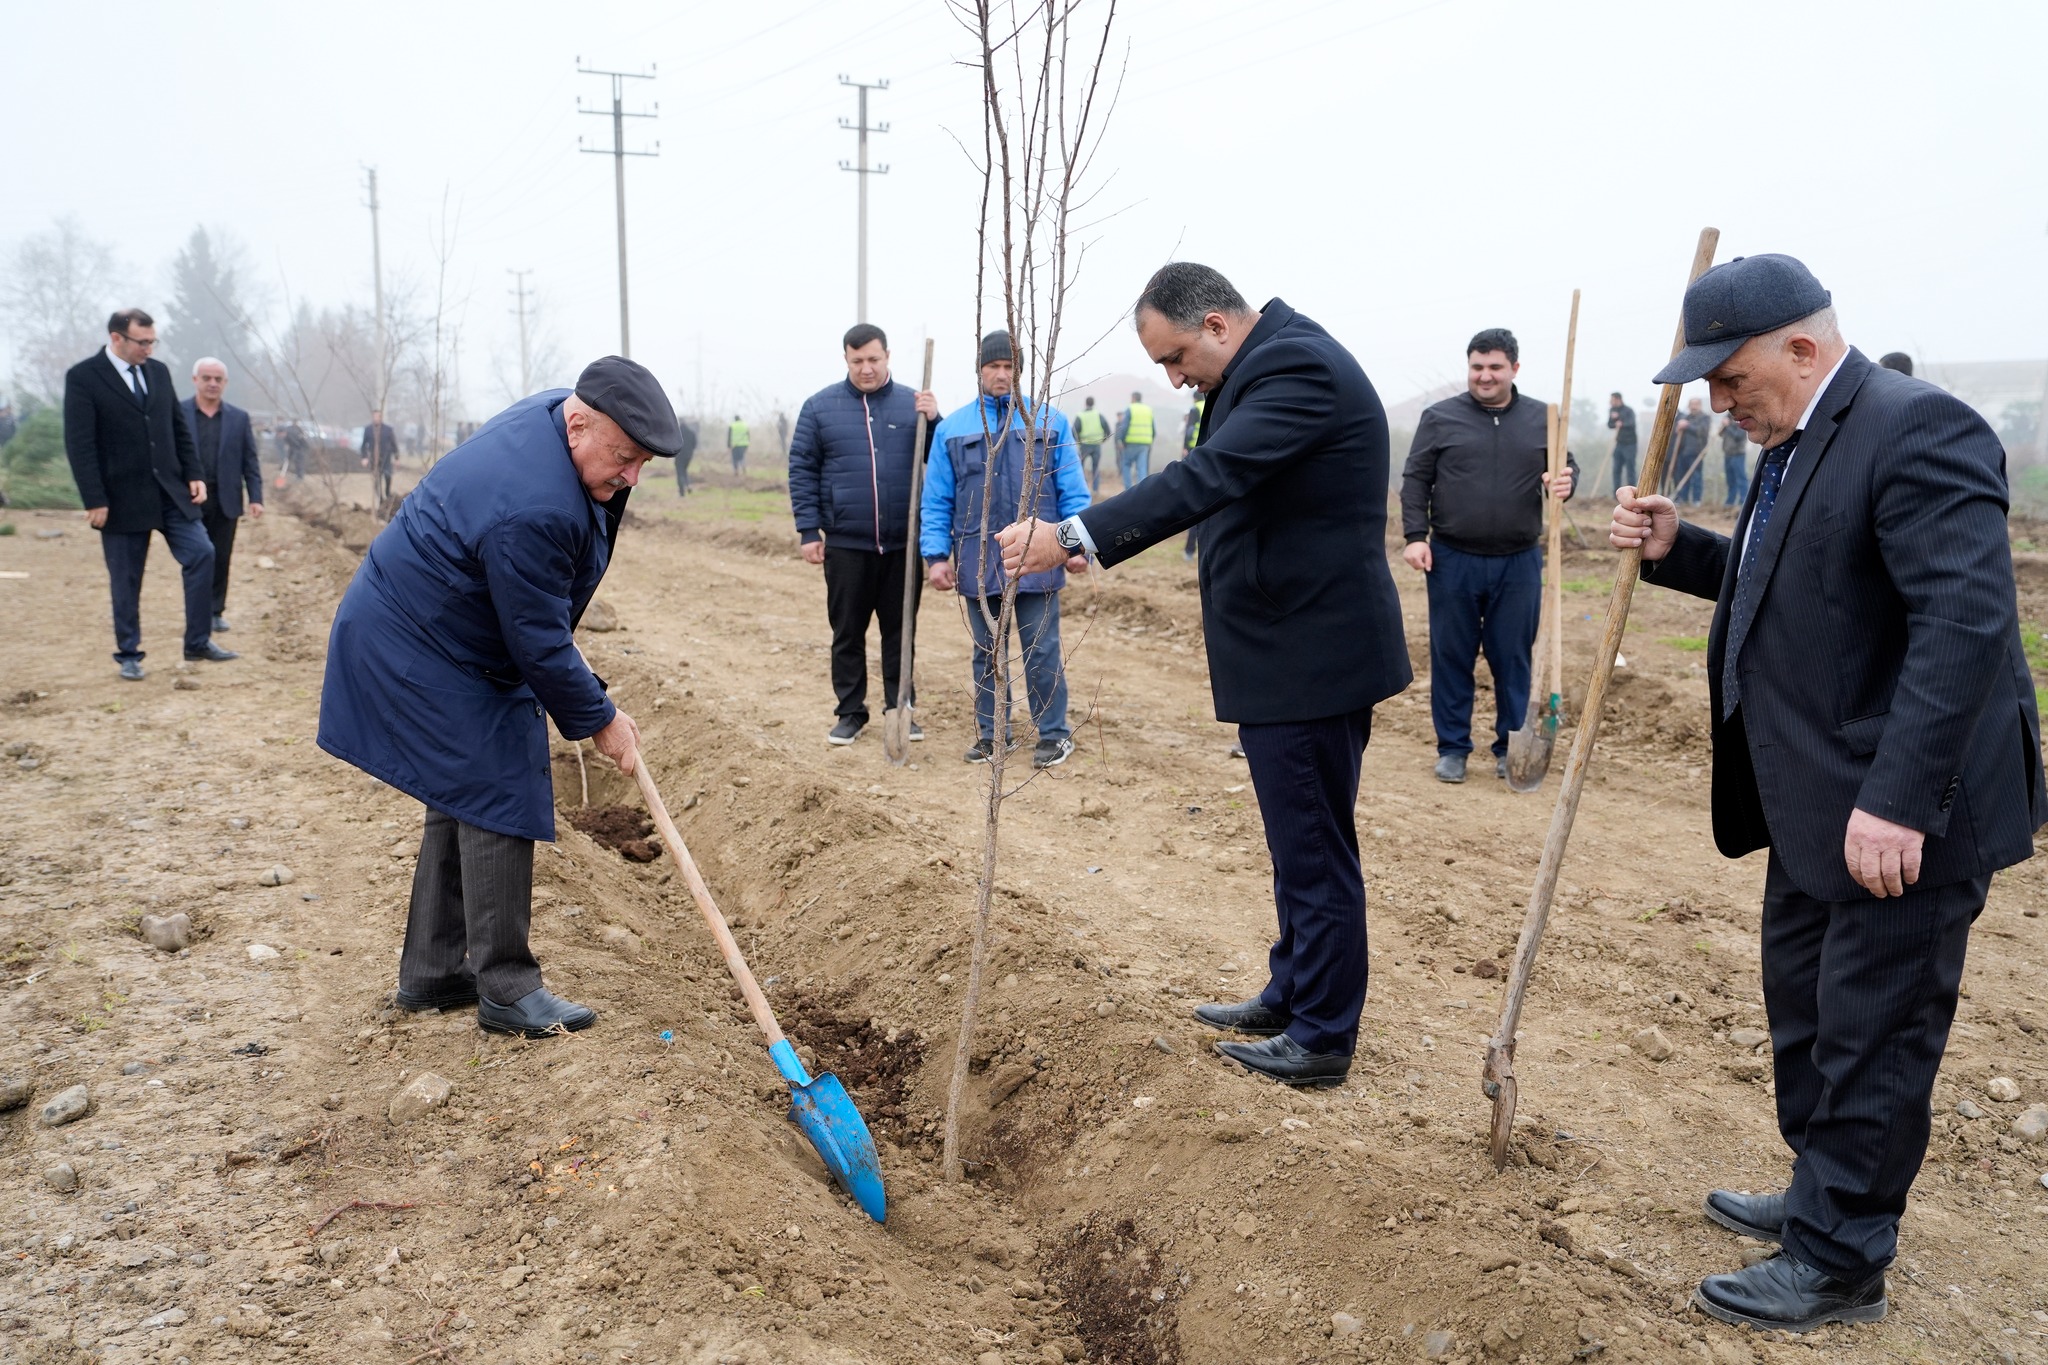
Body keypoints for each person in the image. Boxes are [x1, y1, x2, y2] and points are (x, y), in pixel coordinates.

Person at [1609, 253, 2044, 1332]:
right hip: (1814, 791)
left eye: (1729, 378)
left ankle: (1841, 1256)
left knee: (1873, 1030)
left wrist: (1899, 798)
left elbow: (1963, 622)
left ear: (1801, 349)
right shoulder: (1799, 434)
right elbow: (1803, 575)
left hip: (1904, 805)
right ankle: (1822, 1186)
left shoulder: (1916, 428)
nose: (1718, 402)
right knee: (1805, 1008)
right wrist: (1680, 549)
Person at [996, 262, 1410, 1089]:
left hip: (1309, 654)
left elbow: (1206, 478)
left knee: (1314, 846)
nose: (1176, 379)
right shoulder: (1265, 365)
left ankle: (1322, 1034)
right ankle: (1294, 992)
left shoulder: (1297, 367)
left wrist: (1074, 535)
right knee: (1296, 842)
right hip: (1287, 649)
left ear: (1217, 325)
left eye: (1176, 358)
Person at [318, 357, 679, 1038]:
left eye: (643, 463)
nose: (632, 477)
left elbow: (536, 613)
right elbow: (536, 640)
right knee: (499, 782)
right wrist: (600, 718)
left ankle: (433, 972)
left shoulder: (559, 418)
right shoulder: (536, 505)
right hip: (418, 641)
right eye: (625, 458)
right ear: (579, 425)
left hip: (433, 624)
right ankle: (508, 989)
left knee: (462, 788)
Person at [1399, 327, 1577, 784]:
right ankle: (1453, 748)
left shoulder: (1544, 418)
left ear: (1514, 368)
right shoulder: (1439, 418)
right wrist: (1416, 536)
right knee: (1452, 656)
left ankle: (1509, 747)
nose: (1484, 375)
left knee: (1513, 659)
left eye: (1495, 367)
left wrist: (1564, 480)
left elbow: (1565, 467)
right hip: (1451, 559)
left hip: (1519, 562)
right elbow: (1416, 480)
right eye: (1477, 367)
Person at [922, 329, 1089, 769]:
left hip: (1039, 556)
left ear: (1020, 371)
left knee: (1041, 649)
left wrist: (1077, 545)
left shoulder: (1050, 420)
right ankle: (993, 734)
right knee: (987, 652)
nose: (1001, 374)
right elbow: (937, 498)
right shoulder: (953, 429)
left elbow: (1072, 490)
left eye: (1009, 367)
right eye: (993, 366)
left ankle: (1053, 734)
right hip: (977, 558)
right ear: (979, 370)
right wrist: (935, 556)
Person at [786, 323, 940, 746]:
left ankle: (900, 708)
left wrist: (934, 420)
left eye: (873, 359)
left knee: (900, 632)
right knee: (847, 633)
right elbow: (802, 470)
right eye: (857, 361)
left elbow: (939, 458)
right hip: (846, 544)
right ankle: (850, 712)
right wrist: (808, 530)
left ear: (887, 356)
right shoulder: (819, 408)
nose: (866, 368)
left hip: (902, 544)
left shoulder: (914, 405)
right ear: (846, 360)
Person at [62, 308, 235, 681]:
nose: (149, 349)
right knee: (126, 579)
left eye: (153, 341)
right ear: (117, 338)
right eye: (142, 342)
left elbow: (178, 427)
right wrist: (94, 499)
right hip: (120, 498)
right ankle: (129, 653)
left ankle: (197, 641)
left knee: (202, 553)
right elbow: (80, 444)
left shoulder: (157, 372)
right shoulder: (84, 377)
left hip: (170, 492)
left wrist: (193, 473)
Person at [178, 358, 263, 634]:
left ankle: (215, 611)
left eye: (218, 379)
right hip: (189, 500)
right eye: (207, 378)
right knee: (196, 556)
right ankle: (196, 612)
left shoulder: (239, 418)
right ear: (195, 380)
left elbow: (250, 461)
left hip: (226, 499)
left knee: (221, 556)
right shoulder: (178, 413)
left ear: (225, 383)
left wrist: (256, 497)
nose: (212, 384)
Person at [1667, 396, 1710, 505]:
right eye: (1692, 405)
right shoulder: (1685, 418)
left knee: (1696, 476)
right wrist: (1679, 428)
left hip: (1696, 452)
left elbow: (1702, 431)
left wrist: (1687, 426)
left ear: (1700, 406)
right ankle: (1683, 499)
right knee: (1681, 476)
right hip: (1682, 451)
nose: (1693, 407)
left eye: (1696, 404)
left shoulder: (1704, 418)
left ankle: (1696, 500)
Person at [1181, 393, 1207, 560]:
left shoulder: (1195, 409)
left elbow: (1190, 429)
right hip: (1211, 448)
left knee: (1196, 500)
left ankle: (1189, 551)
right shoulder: (1211, 404)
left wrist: (1185, 447)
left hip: (1195, 450)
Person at [1115, 389, 1154, 489]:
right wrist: (1150, 441)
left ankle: (1128, 490)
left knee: (1126, 465)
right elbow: (1153, 429)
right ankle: (1142, 491)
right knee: (1141, 468)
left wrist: (1121, 440)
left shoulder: (1130, 409)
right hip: (1144, 444)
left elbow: (1124, 427)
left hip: (1130, 443)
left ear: (1133, 398)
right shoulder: (1148, 410)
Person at [1071, 396, 1109, 494]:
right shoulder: (1098, 415)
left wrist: (1078, 441)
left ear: (1085, 403)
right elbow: (1107, 429)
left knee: (1080, 467)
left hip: (1084, 445)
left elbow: (1074, 431)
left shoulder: (1080, 415)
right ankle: (1095, 490)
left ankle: (1083, 487)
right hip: (1096, 445)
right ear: (1094, 403)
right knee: (1095, 468)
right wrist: (1103, 440)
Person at [360, 408, 398, 506]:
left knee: (387, 475)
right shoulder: (368, 430)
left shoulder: (388, 429)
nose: (376, 418)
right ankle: (380, 499)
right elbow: (364, 445)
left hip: (386, 458)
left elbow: (394, 444)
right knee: (376, 480)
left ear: (381, 417)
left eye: (378, 416)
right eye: (374, 416)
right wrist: (364, 457)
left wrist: (396, 457)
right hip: (374, 458)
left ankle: (387, 493)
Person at [1606, 391, 1637, 493]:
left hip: (1630, 444)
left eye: (1612, 400)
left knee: (1630, 469)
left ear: (1618, 399)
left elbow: (1631, 423)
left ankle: (1633, 493)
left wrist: (1622, 423)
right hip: (1619, 443)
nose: (1610, 402)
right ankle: (1616, 493)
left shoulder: (1628, 410)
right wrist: (1614, 421)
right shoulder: (1613, 410)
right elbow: (1610, 425)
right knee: (1616, 469)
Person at [1719, 411, 1751, 506]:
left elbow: (1738, 436)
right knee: (1730, 479)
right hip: (1728, 454)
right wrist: (1724, 425)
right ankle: (1730, 501)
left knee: (1741, 478)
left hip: (1738, 454)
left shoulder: (1741, 418)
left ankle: (1743, 500)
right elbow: (1720, 434)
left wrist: (1728, 426)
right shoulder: (1727, 418)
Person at [673, 414, 698, 495]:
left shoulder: (677, 432)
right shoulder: (691, 433)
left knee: (680, 472)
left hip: (679, 455)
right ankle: (688, 485)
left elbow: (673, 444)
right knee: (684, 470)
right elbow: (695, 445)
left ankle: (682, 492)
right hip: (688, 456)